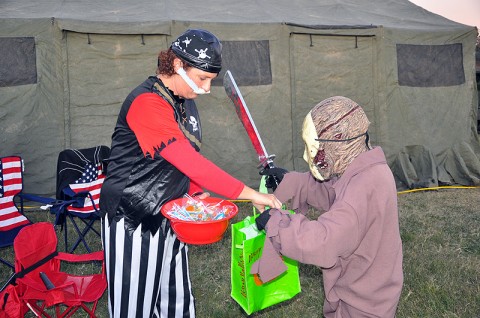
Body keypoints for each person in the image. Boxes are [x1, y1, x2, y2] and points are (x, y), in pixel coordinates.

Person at [99, 29, 281, 318]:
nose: (207, 89)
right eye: (202, 78)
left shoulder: (184, 101)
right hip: (133, 215)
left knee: (177, 304)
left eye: (211, 80)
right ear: (176, 66)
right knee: (133, 309)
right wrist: (253, 194)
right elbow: (188, 161)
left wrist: (195, 194)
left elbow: (186, 162)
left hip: (172, 213)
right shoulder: (146, 103)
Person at [252, 96, 403, 317]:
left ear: (340, 141)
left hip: (361, 304)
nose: (306, 156)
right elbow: (333, 192)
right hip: (371, 287)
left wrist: (277, 225)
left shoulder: (363, 189)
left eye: (312, 147)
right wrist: (291, 181)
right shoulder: (370, 170)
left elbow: (324, 241)